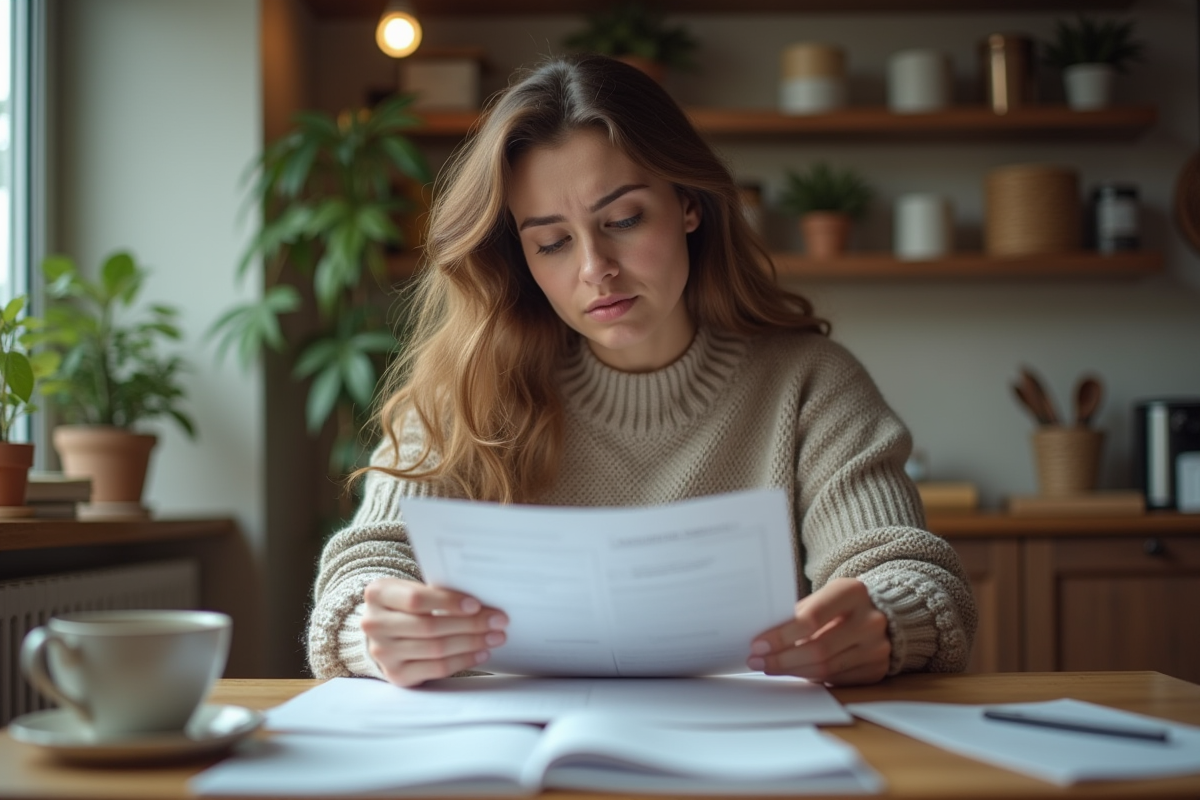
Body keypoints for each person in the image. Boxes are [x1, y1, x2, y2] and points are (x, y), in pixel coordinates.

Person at [307, 54, 976, 689]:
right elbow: (361, 571)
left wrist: (886, 619)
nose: (595, 268)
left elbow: (908, 568)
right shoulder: (466, 390)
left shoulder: (810, 384)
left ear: (689, 204)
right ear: (521, 256)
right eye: (552, 242)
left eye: (623, 219)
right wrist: (372, 634)